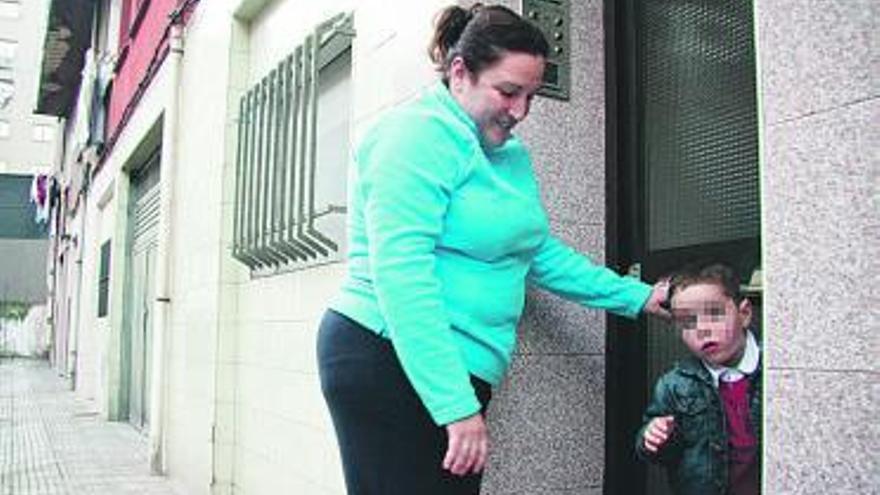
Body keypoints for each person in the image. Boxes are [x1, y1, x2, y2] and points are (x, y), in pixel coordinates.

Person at [317, 4, 669, 494]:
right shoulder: (414, 135)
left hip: (452, 371)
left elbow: (538, 253)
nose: (519, 111)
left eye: (530, 96)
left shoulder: (508, 154)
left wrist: (638, 296)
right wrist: (455, 406)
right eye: (507, 91)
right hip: (388, 356)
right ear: (460, 73)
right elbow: (401, 274)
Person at [636, 262, 761, 495]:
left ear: (744, 313)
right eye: (688, 322)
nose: (702, 329)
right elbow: (658, 453)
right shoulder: (675, 385)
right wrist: (653, 437)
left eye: (714, 314)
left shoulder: (776, 370)